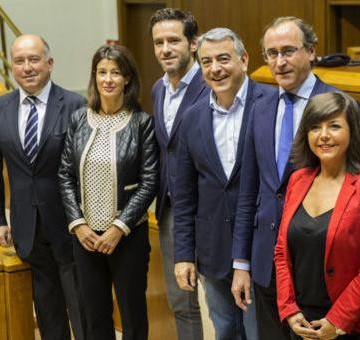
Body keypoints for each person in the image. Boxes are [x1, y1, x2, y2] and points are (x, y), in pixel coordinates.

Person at [231, 16, 360, 339]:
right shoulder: (259, 106)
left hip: (334, 273)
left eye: (289, 51)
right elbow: (248, 188)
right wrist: (242, 260)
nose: (280, 62)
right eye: (272, 53)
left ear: (311, 52)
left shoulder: (341, 102)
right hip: (273, 263)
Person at [0, 34, 86, 340]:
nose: (27, 67)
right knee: (48, 309)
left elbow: (87, 168)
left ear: (49, 64)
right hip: (28, 226)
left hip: (72, 225)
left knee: (83, 307)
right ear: (12, 66)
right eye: (19, 61)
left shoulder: (76, 105)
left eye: (34, 59)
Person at [173, 27, 275, 340]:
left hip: (261, 246)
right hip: (212, 246)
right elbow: (184, 195)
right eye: (206, 62)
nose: (215, 68)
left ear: (243, 60)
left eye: (223, 59)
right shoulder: (191, 118)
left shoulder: (271, 104)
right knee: (226, 330)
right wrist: (183, 254)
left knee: (259, 331)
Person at [275, 92, 360, 339]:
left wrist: (337, 320)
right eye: (315, 127)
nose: (324, 135)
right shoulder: (298, 180)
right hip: (303, 322)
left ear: (353, 132)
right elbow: (281, 251)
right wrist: (288, 309)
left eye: (334, 126)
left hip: (355, 325)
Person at [58, 45, 158, 340]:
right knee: (94, 316)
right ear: (94, 77)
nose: (108, 79)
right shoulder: (78, 119)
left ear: (127, 78)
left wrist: (118, 227)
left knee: (133, 316)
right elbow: (64, 175)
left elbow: (150, 180)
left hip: (127, 237)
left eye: (116, 72)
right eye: (102, 72)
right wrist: (78, 224)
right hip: (85, 238)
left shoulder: (142, 124)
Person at [149, 8, 207, 340]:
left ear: (193, 43)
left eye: (173, 40)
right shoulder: (159, 89)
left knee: (219, 302)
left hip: (210, 210)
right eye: (159, 42)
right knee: (180, 299)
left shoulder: (210, 83)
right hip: (171, 210)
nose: (166, 49)